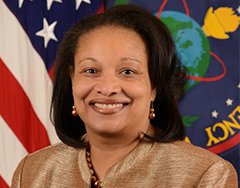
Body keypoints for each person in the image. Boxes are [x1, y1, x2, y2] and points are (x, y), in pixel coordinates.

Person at [11, 4, 238, 188]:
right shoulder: (33, 172)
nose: (108, 87)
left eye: (127, 72)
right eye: (91, 71)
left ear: (155, 85)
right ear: (71, 80)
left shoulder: (205, 175)